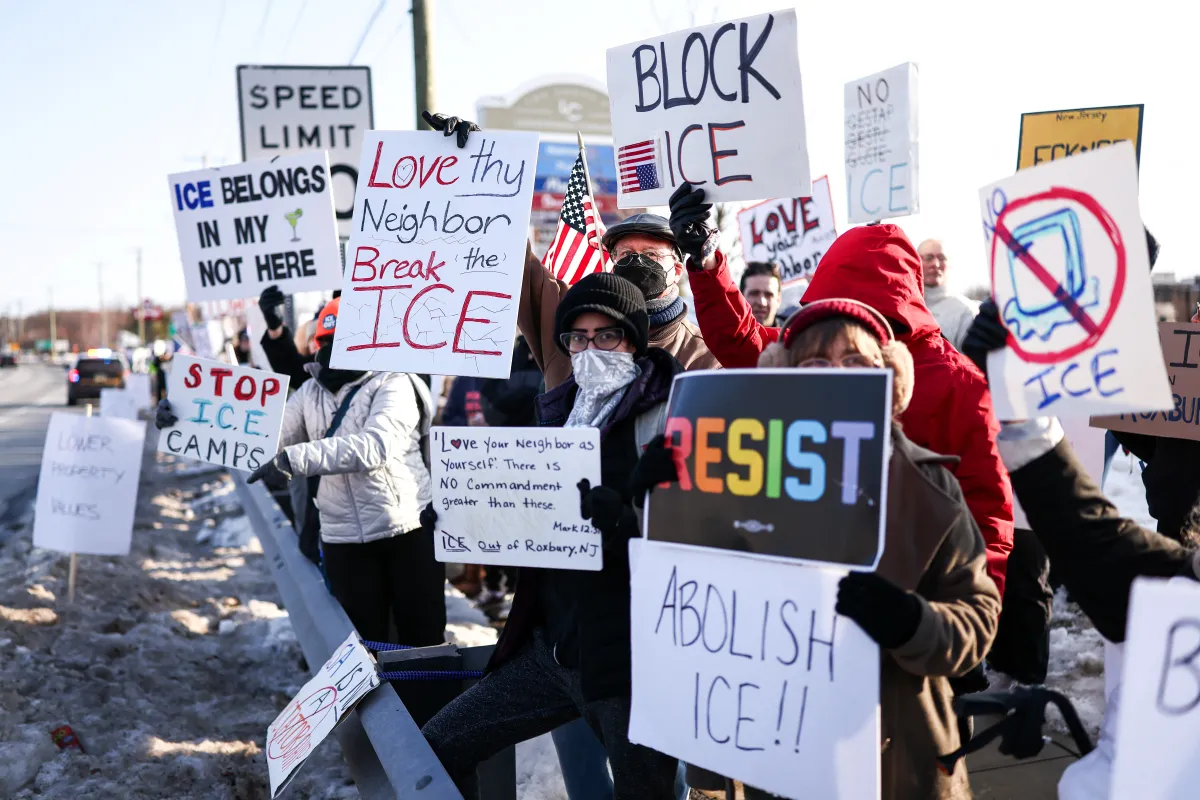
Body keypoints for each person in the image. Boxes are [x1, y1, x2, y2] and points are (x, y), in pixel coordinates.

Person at [641, 297, 1001, 799]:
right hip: (781, 754)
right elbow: (690, 599)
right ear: (785, 381)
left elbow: (977, 621)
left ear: (889, 377)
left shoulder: (929, 485)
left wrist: (912, 622)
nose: (837, 378)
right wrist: (659, 498)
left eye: (856, 362)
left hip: (898, 761)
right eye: (815, 364)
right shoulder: (738, 484)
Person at [680, 183, 1014, 601]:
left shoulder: (959, 384)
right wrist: (707, 261)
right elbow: (742, 340)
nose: (835, 362)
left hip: (909, 603)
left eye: (856, 358)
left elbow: (987, 517)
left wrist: (966, 615)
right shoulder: (809, 350)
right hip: (812, 586)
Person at [421, 273, 682, 800]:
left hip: (628, 665)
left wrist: (624, 521)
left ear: (633, 340)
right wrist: (464, 517)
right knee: (437, 745)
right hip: (553, 650)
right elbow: (531, 516)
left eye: (606, 335)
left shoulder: (669, 415)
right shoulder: (561, 412)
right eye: (577, 338)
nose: (590, 349)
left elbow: (693, 534)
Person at [421, 109, 719, 390]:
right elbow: (514, 259)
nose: (637, 262)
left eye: (651, 255)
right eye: (626, 255)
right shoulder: (569, 323)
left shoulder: (705, 355)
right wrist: (478, 168)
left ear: (677, 269)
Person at [243, 297, 444, 648]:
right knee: (364, 649)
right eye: (327, 342)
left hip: (406, 531)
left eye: (344, 341)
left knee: (423, 642)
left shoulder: (394, 382)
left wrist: (295, 458)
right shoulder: (309, 392)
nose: (333, 351)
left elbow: (375, 446)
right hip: (343, 542)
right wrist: (186, 417)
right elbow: (265, 435)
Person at [917, 239, 979, 350]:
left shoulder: (965, 310)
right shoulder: (903, 307)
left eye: (942, 258)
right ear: (916, 262)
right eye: (928, 258)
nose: (935, 264)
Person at [740, 261, 783, 326]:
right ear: (740, 297)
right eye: (754, 294)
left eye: (769, 295)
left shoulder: (794, 331)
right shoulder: (725, 331)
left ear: (778, 300)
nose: (762, 303)